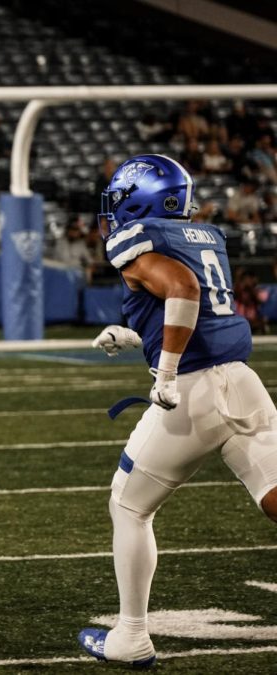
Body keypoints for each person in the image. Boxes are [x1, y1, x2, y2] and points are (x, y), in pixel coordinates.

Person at [80, 154, 277, 667]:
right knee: (274, 496)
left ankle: (130, 636)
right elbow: (195, 305)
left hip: (191, 391)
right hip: (241, 381)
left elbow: (183, 290)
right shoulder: (203, 236)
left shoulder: (135, 238)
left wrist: (164, 372)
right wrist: (136, 337)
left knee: (128, 505)